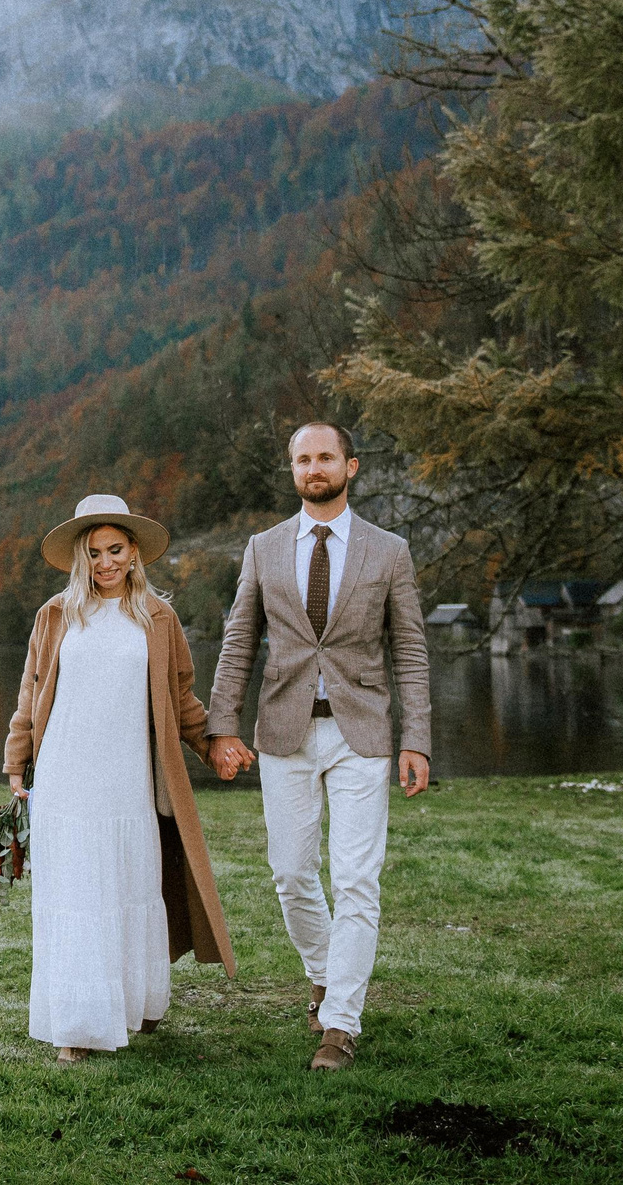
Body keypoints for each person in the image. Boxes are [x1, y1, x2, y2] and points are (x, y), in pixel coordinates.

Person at [208, 423, 432, 1072]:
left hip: (361, 732)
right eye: (302, 459)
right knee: (291, 872)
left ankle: (339, 1023)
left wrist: (416, 737)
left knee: (358, 879)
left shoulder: (388, 551)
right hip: (285, 731)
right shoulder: (264, 547)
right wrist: (222, 726)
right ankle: (325, 973)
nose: (314, 467)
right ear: (292, 469)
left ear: (350, 465)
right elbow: (239, 640)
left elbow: (410, 649)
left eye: (325, 456)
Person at [4, 494, 235, 1063]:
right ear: (80, 558)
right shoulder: (56, 615)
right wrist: (17, 760)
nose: (105, 562)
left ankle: (134, 1003)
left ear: (134, 552)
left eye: (115, 549)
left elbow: (180, 698)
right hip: (66, 775)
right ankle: (78, 1028)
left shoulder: (158, 619)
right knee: (77, 894)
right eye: (94, 552)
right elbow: (32, 691)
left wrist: (212, 745)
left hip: (129, 779)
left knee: (130, 886)